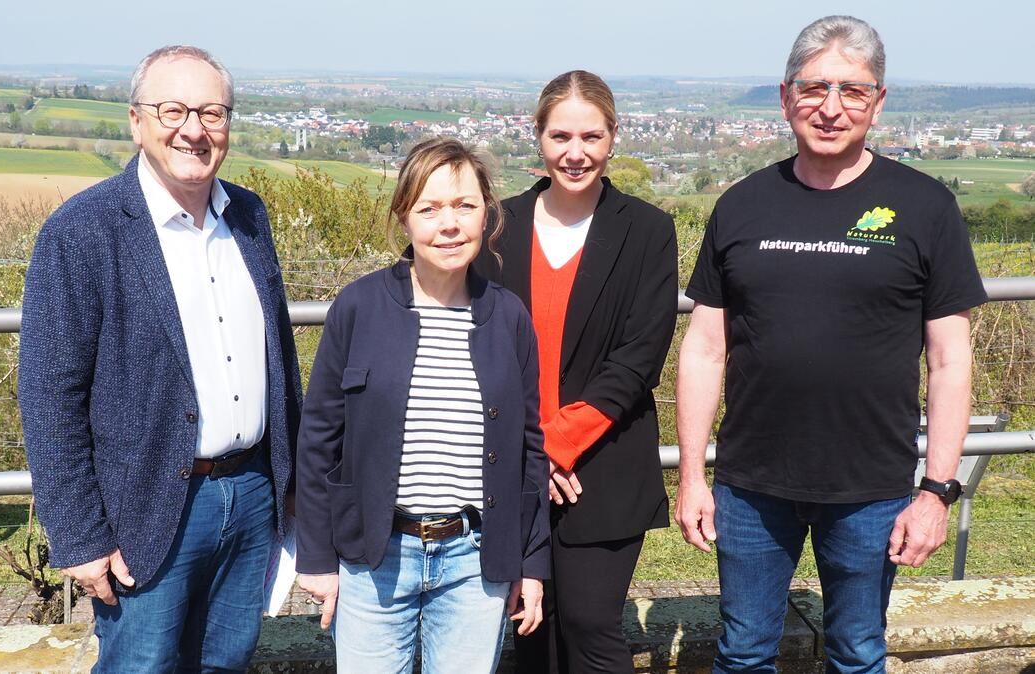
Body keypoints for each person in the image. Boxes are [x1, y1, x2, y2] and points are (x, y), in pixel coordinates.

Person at [674, 15, 987, 673]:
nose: (831, 107)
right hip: (750, 484)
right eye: (814, 88)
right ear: (786, 97)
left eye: (853, 90)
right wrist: (693, 476)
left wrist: (937, 490)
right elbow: (703, 349)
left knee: (857, 651)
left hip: (873, 487)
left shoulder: (924, 207)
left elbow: (951, 359)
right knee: (743, 651)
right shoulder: (742, 205)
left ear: (878, 102)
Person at [19, 45, 301, 673]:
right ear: (136, 121)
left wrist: (290, 485)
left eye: (212, 112)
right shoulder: (83, 230)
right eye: (173, 110)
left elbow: (278, 355)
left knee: (227, 661)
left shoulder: (249, 216)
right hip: (147, 504)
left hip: (251, 493)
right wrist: (81, 536)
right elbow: (48, 395)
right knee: (141, 665)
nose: (193, 130)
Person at [294, 137, 550, 673]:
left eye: (464, 205)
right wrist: (316, 557)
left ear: (488, 215)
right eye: (429, 209)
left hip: (475, 560)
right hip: (373, 555)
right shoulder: (358, 306)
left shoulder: (508, 317)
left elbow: (530, 449)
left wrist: (531, 563)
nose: (448, 224)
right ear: (404, 219)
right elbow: (319, 436)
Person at [475, 70, 679, 673]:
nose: (575, 152)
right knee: (529, 629)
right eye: (560, 136)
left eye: (591, 136)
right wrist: (528, 449)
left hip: (602, 462)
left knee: (591, 626)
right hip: (508, 461)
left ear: (613, 137)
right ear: (537, 137)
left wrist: (555, 445)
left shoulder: (646, 230)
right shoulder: (493, 224)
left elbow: (640, 353)